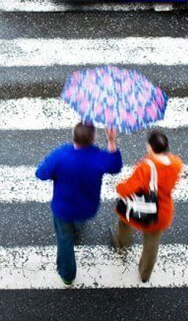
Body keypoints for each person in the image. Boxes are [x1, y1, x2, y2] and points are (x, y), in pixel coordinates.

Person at [35, 122, 122, 286]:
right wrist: (111, 140)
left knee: (64, 239)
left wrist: (55, 174)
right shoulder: (99, 157)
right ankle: (78, 230)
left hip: (64, 208)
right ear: (93, 138)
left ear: (73, 136)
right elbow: (115, 166)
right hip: (87, 208)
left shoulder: (61, 155)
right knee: (78, 223)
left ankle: (68, 276)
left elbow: (41, 173)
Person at [112, 129, 183, 283]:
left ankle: (122, 245)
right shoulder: (176, 163)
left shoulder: (146, 168)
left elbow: (128, 189)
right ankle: (145, 274)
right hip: (161, 212)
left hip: (140, 209)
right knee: (152, 244)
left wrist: (118, 188)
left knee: (124, 220)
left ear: (150, 147)